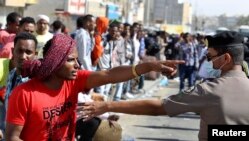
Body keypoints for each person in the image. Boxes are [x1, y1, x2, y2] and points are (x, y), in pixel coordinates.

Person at [5, 33, 183, 141]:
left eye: (76, 59)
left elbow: (109, 75)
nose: (77, 65)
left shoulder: (73, 81)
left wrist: (149, 67)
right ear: (54, 62)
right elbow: (12, 136)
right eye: (70, 60)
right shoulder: (24, 94)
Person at [81, 31, 249, 141]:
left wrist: (107, 105)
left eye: (210, 57)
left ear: (226, 58)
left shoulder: (210, 90)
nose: (208, 62)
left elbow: (158, 107)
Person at [0, 32, 38, 140]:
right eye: (19, 51)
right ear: (12, 52)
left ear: (35, 54)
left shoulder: (37, 81)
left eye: (28, 52)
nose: (23, 57)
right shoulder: (12, 74)